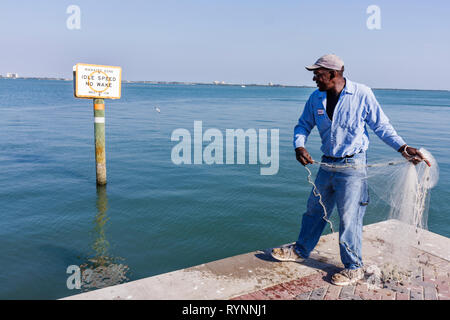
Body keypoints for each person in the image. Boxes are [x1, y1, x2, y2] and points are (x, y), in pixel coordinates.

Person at [271, 54, 430, 286]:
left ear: (333, 74)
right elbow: (303, 125)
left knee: (350, 217)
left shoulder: (362, 94)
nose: (314, 78)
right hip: (327, 164)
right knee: (314, 209)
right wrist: (299, 145)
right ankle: (301, 250)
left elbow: (381, 126)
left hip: (352, 165)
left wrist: (403, 147)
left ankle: (353, 267)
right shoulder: (316, 98)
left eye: (318, 73)